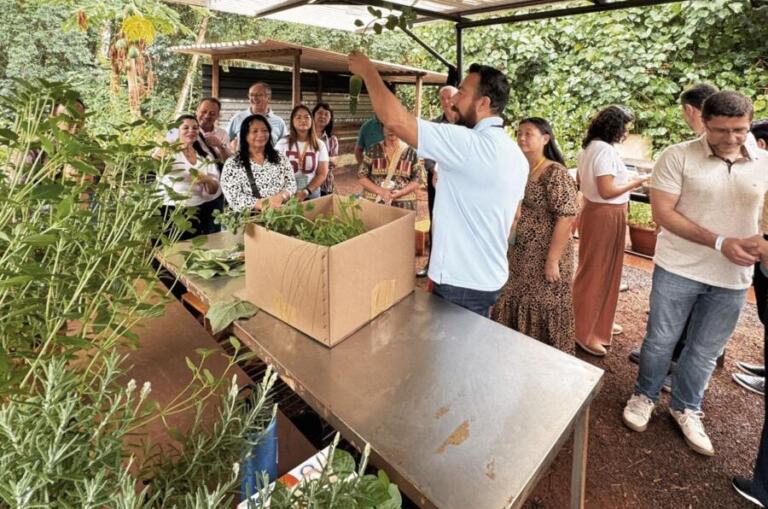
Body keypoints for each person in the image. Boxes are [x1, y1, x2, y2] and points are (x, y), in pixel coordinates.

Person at [622, 91, 768, 457]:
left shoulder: (764, 163)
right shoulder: (678, 156)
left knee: (705, 351)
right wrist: (721, 242)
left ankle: (686, 406)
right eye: (722, 130)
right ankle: (645, 394)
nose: (732, 138)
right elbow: (663, 214)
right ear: (704, 122)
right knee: (660, 340)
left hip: (733, 278)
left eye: (740, 130)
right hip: (679, 267)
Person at [348, 51, 528, 317]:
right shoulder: (515, 155)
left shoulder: (468, 144)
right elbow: (514, 216)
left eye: (462, 93)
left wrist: (368, 72)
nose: (453, 99)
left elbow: (397, 121)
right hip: (489, 276)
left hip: (460, 281)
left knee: (452, 356)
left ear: (483, 103)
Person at [491, 118, 578, 353]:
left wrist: (552, 261)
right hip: (520, 255)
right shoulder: (520, 168)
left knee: (543, 306)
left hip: (545, 257)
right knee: (513, 298)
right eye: (519, 133)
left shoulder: (555, 173)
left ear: (545, 138)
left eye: (528, 133)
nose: (521, 138)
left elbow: (566, 217)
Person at [573, 106, 648, 356]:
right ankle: (583, 330)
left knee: (602, 270)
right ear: (614, 126)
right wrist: (637, 182)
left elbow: (583, 185)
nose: (626, 132)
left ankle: (598, 321)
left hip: (597, 211)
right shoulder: (603, 151)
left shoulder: (589, 148)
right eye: (625, 126)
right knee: (596, 272)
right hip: (605, 213)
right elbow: (606, 191)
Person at [157, 115, 222, 240]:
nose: (191, 131)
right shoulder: (169, 152)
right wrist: (165, 147)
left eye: (195, 128)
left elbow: (213, 190)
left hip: (197, 211)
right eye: (185, 128)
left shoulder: (205, 157)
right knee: (169, 252)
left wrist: (206, 179)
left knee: (193, 252)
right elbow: (153, 164)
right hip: (170, 210)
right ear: (176, 131)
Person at [419, 85, 458, 277]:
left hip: (459, 185)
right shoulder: (434, 125)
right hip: (437, 183)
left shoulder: (466, 124)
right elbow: (428, 154)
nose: (446, 102)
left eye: (450, 97)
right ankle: (432, 264)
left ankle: (454, 266)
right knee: (436, 220)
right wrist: (435, 169)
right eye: (442, 98)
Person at [221, 114, 296, 212]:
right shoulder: (233, 163)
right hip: (249, 221)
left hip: (279, 215)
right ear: (245, 135)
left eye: (265, 130)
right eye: (255, 131)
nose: (261, 134)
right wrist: (262, 204)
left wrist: (282, 196)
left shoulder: (280, 158)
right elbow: (233, 196)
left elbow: (291, 183)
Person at [358, 124, 425, 210]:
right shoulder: (373, 150)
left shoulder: (411, 153)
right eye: (387, 127)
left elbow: (418, 179)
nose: (391, 130)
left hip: (403, 205)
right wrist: (381, 191)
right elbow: (361, 176)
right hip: (376, 203)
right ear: (382, 129)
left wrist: (401, 192)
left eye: (395, 127)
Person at [276, 104, 329, 201]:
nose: (303, 120)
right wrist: (285, 193)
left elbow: (322, 174)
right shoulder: (282, 143)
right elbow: (274, 171)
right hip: (287, 197)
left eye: (306, 117)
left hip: (311, 195)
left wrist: (306, 191)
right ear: (292, 121)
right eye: (298, 117)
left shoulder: (319, 145)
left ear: (311, 121)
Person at [226, 82, 286, 147]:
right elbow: (224, 140)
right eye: (251, 95)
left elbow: (285, 147)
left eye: (259, 95)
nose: (254, 98)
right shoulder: (238, 118)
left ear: (268, 98)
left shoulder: (279, 122)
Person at [194, 97, 231, 164]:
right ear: (196, 111)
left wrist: (219, 145)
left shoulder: (222, 134)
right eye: (203, 111)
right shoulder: (187, 131)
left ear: (218, 116)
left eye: (212, 113)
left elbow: (228, 162)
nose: (207, 116)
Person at [313, 102, 339, 196]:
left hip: (326, 184)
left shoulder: (332, 140)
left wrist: (314, 159)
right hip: (308, 183)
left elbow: (335, 162)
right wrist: (326, 160)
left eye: (326, 114)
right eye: (320, 113)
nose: (323, 116)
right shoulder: (305, 137)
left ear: (330, 119)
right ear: (313, 115)